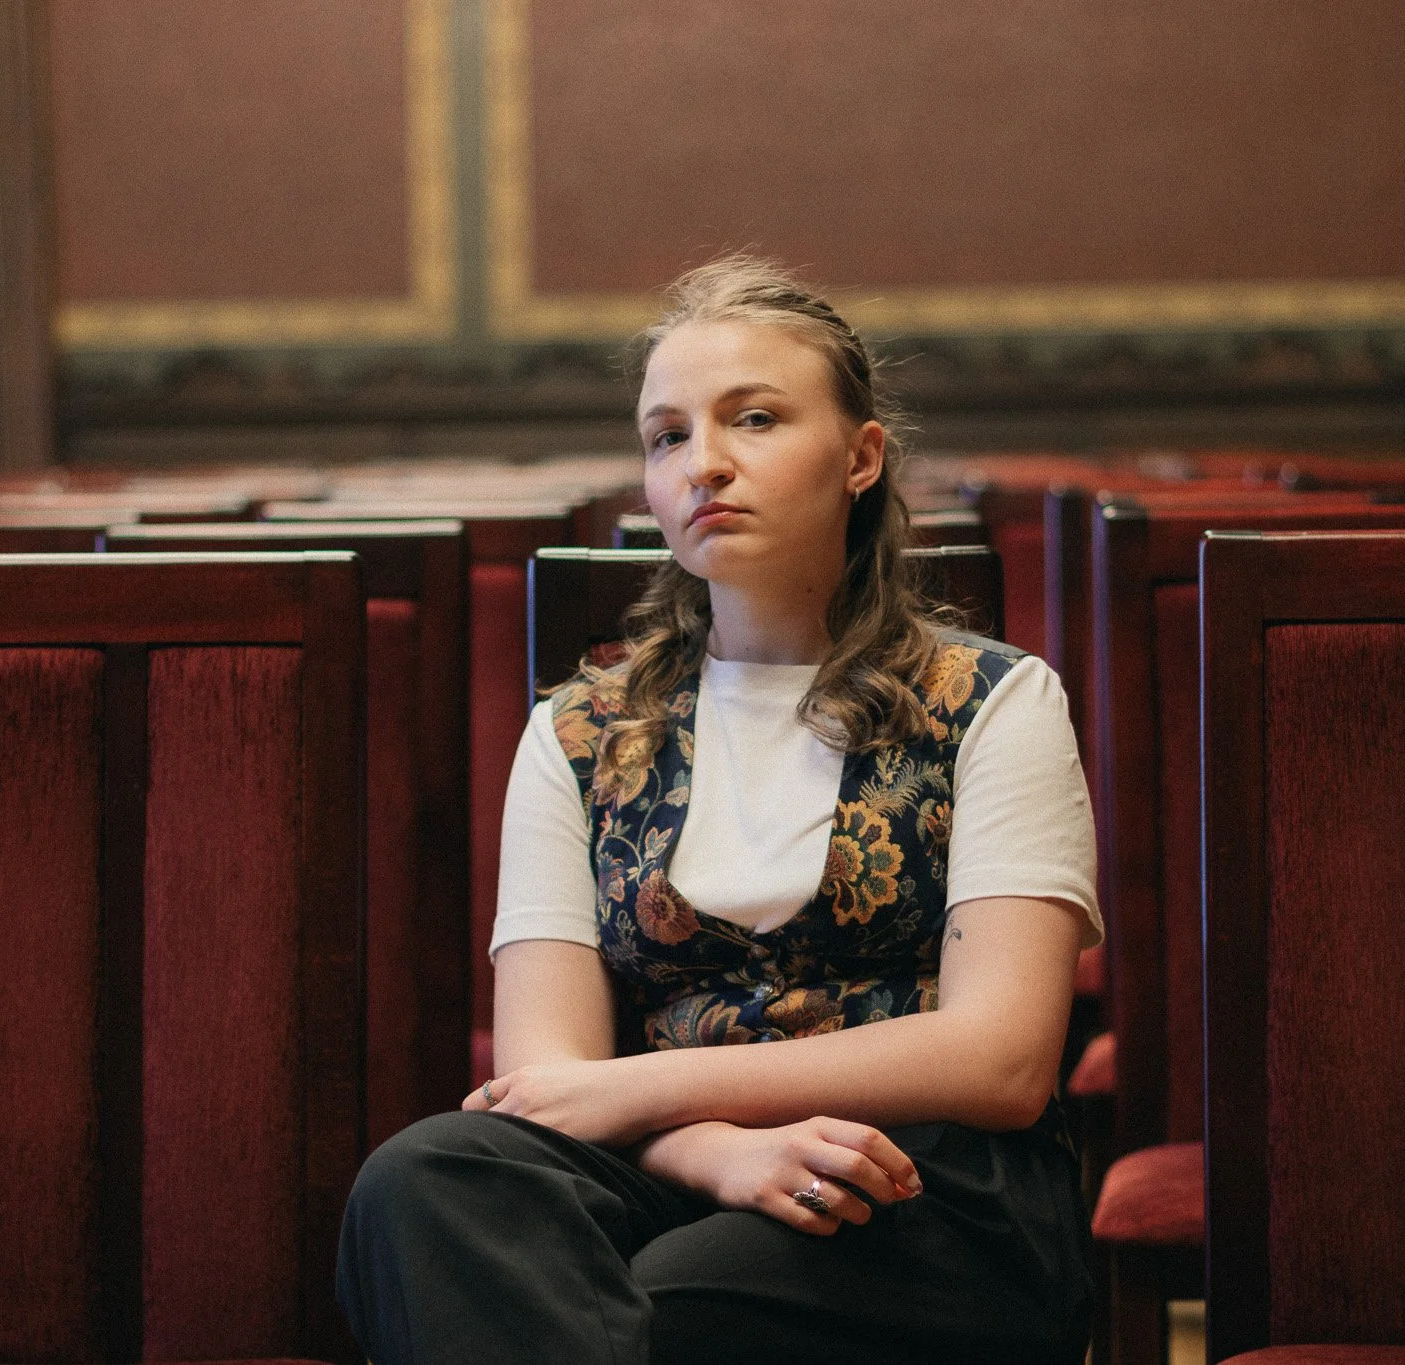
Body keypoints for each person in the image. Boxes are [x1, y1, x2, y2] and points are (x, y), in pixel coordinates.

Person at [337, 256, 1101, 1364]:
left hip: (919, 1185)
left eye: (752, 418)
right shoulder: (576, 732)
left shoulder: (992, 701)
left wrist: (653, 1091)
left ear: (859, 456)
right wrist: (711, 1153)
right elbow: (548, 1086)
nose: (706, 464)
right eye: (666, 436)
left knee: (651, 1305)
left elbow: (999, 1061)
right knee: (420, 1181)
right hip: (665, 1169)